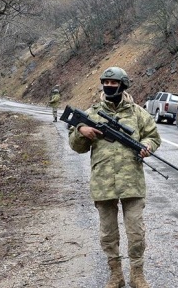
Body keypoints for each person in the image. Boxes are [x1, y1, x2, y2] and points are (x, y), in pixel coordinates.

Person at [67, 67, 161, 288]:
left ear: (123, 85)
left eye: (113, 82)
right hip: (103, 181)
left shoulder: (138, 113)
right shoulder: (92, 113)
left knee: (136, 233)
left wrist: (147, 146)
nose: (109, 86)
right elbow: (76, 146)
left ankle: (137, 275)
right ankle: (116, 275)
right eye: (105, 82)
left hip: (132, 182)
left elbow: (153, 137)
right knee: (108, 234)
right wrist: (82, 130)